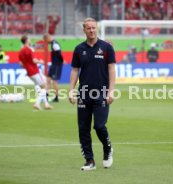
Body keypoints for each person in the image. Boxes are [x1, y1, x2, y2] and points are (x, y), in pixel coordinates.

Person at [69, 18, 115, 171]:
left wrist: (111, 90)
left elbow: (111, 69)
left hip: (101, 92)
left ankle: (107, 149)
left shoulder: (107, 47)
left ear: (97, 28)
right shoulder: (78, 49)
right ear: (84, 30)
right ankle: (89, 160)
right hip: (83, 93)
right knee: (83, 128)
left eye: (93, 28)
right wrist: (71, 90)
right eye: (88, 28)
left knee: (99, 126)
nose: (91, 30)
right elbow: (75, 70)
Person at [19, 35, 53, 110]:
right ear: (27, 40)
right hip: (34, 71)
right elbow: (34, 61)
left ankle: (46, 104)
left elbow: (20, 64)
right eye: (29, 39)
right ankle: (37, 103)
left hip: (29, 72)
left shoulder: (21, 51)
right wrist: (40, 61)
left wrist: (27, 67)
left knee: (42, 88)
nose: (30, 40)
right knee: (45, 86)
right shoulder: (29, 49)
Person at [43, 33, 64, 102]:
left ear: (47, 38)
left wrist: (61, 62)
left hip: (56, 65)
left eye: (45, 40)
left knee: (54, 81)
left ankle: (56, 97)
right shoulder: (52, 44)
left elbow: (59, 53)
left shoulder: (54, 44)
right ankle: (46, 96)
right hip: (53, 65)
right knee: (48, 79)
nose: (46, 42)